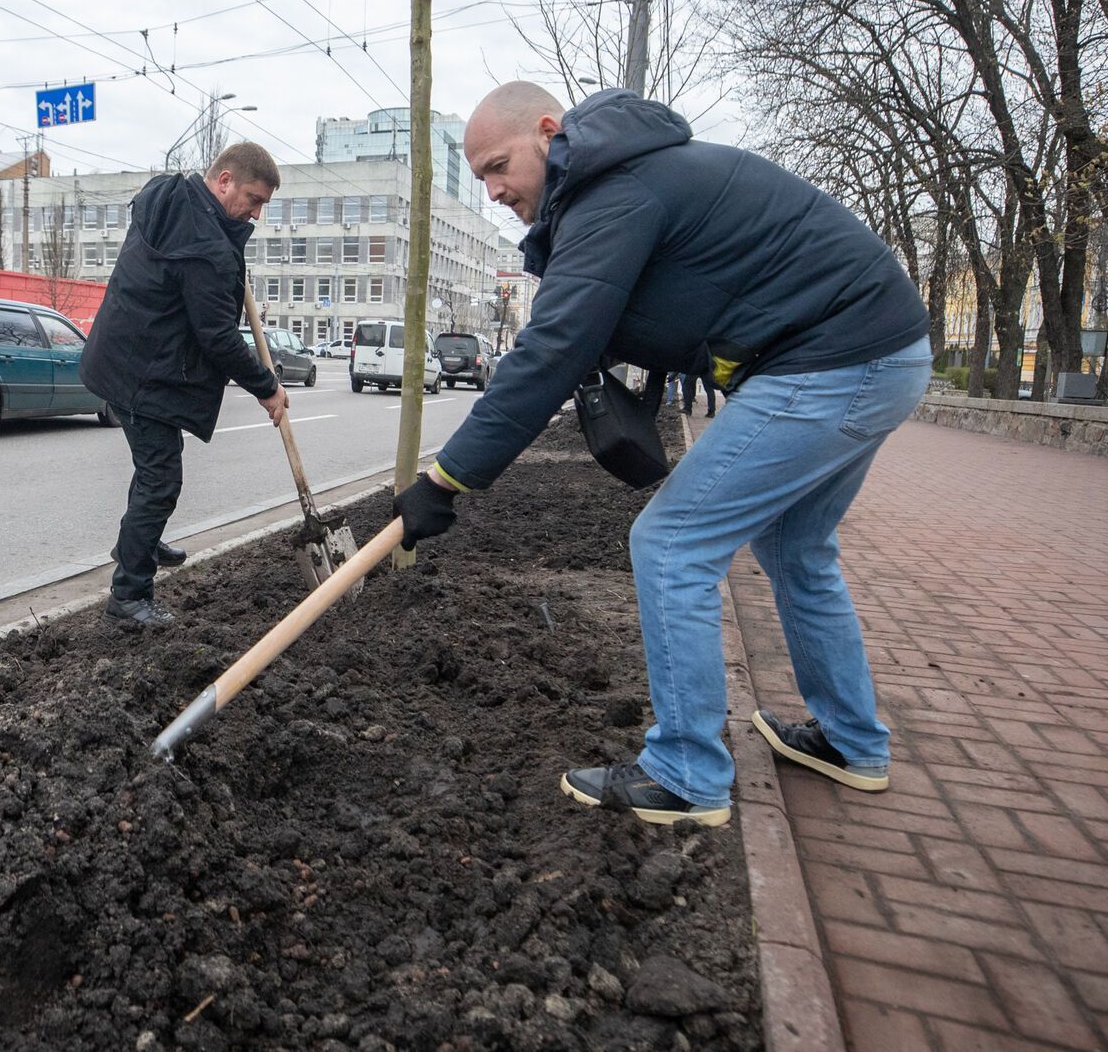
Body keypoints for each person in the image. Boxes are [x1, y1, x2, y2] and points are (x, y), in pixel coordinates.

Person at [393, 83, 930, 827]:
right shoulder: (627, 184)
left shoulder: (616, 194)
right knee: (796, 546)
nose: (491, 191)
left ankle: (686, 773)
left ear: (549, 133)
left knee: (672, 542)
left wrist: (446, 479)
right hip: (877, 353)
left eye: (497, 165)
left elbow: (550, 348)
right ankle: (850, 742)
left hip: (832, 361)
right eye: (480, 176)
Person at [81, 143, 289, 630]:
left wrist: (232, 241)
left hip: (123, 357)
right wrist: (267, 386)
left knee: (155, 468)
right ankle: (129, 597)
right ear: (224, 181)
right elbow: (217, 336)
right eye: (253, 200)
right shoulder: (208, 247)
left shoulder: (169, 195)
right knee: (161, 480)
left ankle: (140, 541)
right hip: (143, 372)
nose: (256, 214)